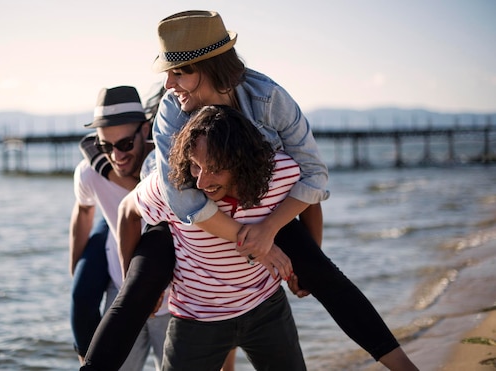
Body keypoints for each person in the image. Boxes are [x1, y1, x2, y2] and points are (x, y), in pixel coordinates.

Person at [82, 10, 417, 371]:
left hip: (255, 199)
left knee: (321, 272)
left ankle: (402, 364)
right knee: (138, 290)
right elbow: (183, 199)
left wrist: (269, 232)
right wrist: (254, 239)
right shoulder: (171, 113)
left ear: (210, 68)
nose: (168, 85)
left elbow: (313, 178)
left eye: (179, 72)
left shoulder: (268, 98)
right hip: (178, 212)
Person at [119, 105, 307, 370]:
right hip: (196, 318)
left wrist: (307, 264)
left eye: (215, 169)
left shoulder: (279, 174)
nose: (201, 182)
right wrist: (135, 284)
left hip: (266, 308)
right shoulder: (172, 190)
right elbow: (126, 212)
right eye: (196, 166)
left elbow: (310, 193)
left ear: (243, 162)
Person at [69, 85, 171, 370]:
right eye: (104, 146)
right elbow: (83, 209)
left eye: (125, 144)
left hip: (178, 300)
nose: (116, 156)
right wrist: (75, 268)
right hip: (121, 290)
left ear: (145, 130)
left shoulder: (170, 169)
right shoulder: (91, 173)